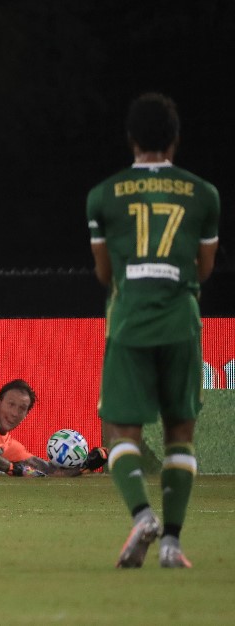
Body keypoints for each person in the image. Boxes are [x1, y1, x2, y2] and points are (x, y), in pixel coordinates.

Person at [87, 93, 220, 569]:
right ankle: (173, 545)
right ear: (176, 139)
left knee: (122, 430)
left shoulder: (103, 195)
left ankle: (142, 515)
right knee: (180, 433)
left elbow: (105, 273)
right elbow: (204, 269)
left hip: (129, 322)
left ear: (131, 139)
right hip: (181, 321)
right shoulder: (204, 194)